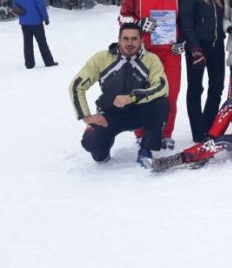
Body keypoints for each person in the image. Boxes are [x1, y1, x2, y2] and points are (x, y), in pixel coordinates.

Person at [70, 23, 169, 165]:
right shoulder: (101, 58)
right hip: (110, 115)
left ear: (141, 40)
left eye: (134, 39)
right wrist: (86, 117)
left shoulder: (151, 59)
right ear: (119, 40)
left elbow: (162, 86)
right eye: (125, 38)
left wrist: (132, 97)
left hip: (138, 111)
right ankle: (103, 149)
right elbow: (76, 86)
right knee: (90, 144)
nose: (129, 43)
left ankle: (145, 150)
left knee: (162, 103)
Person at [119, 0, 181, 148]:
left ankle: (166, 133)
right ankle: (141, 132)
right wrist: (138, 23)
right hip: (144, 52)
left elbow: (183, 21)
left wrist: (182, 41)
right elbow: (122, 16)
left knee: (170, 93)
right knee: (143, 92)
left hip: (170, 53)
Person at [178, 0, 226, 142]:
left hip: (216, 46)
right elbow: (186, 21)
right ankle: (198, 132)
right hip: (197, 47)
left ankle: (208, 125)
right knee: (195, 88)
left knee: (217, 86)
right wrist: (194, 47)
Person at [12, 0, 57, 69]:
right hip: (36, 23)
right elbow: (41, 7)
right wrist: (45, 18)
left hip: (24, 23)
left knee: (27, 43)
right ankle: (49, 62)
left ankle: (29, 64)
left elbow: (15, 7)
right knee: (42, 42)